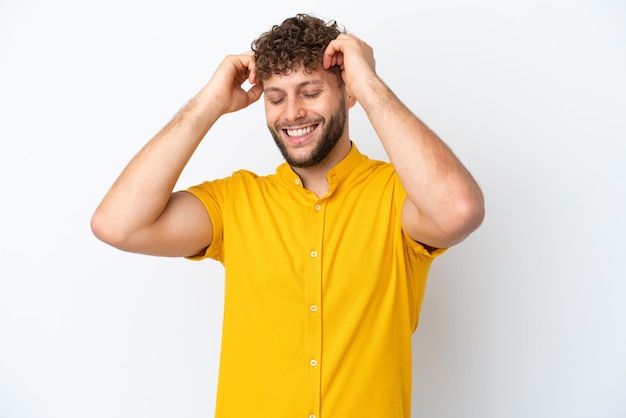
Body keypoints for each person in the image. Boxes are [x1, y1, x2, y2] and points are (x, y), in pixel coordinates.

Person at [91, 13, 485, 418]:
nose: (292, 113)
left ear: (347, 94)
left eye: (310, 92)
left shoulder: (398, 197)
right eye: (276, 98)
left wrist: (368, 85)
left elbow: (458, 210)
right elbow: (117, 224)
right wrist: (208, 103)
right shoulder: (236, 201)